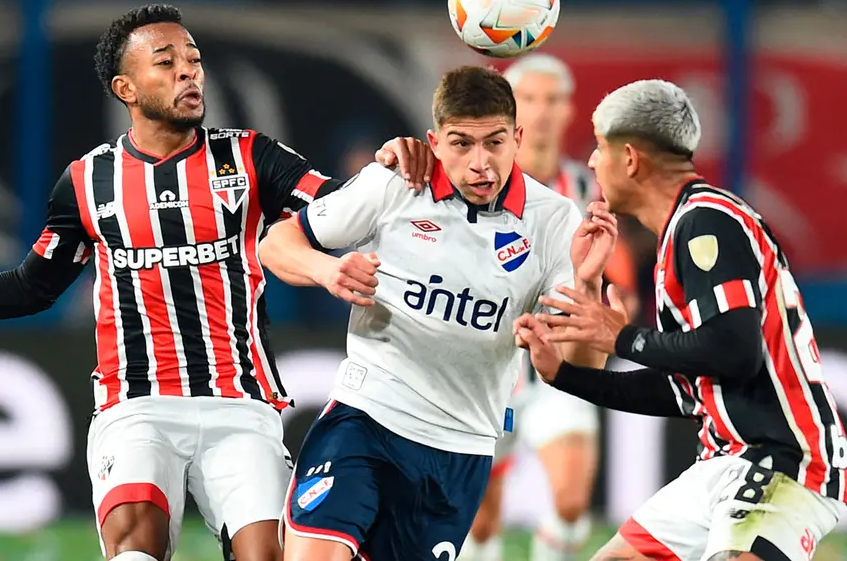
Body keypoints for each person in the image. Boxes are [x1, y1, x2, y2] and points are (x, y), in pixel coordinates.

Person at [0, 4, 431, 561]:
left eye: (194, 60)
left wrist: (384, 169)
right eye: (166, 62)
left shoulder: (250, 157)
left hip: (240, 405)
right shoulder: (87, 181)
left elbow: (339, 208)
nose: (189, 72)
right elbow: (32, 286)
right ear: (125, 88)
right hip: (136, 405)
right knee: (135, 548)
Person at [258, 65, 616, 561]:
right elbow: (277, 242)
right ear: (435, 142)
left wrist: (588, 288)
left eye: (494, 143)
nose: (480, 164)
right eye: (461, 144)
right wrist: (327, 270)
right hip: (366, 417)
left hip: (459, 447)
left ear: (516, 139)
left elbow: (583, 368)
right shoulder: (396, 182)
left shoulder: (554, 220)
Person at [515, 79, 847, 561]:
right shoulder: (681, 230)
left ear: (630, 159)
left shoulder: (707, 222)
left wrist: (623, 338)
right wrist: (564, 375)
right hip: (723, 460)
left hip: (783, 459)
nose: (590, 160)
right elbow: (684, 390)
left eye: (599, 147)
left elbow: (734, 351)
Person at [458, 53, 637, 561]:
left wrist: (618, 294)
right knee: (481, 519)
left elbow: (614, 261)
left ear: (568, 110)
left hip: (559, 362)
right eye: (529, 100)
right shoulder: (476, 183)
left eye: (552, 100)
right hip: (491, 368)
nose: (541, 111)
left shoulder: (585, 187)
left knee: (572, 500)